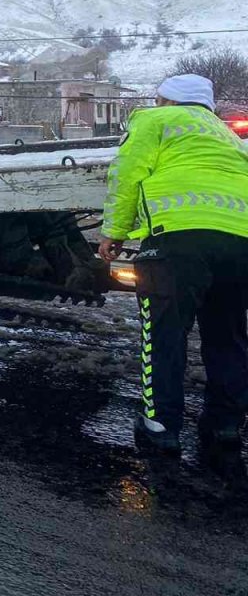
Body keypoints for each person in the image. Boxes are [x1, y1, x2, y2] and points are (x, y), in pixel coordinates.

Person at [100, 73, 248, 456]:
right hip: (240, 241)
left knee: (164, 335)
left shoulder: (153, 121)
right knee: (228, 336)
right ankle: (225, 425)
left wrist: (114, 232)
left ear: (165, 100)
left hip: (177, 241)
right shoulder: (228, 136)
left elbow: (128, 174)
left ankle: (161, 427)